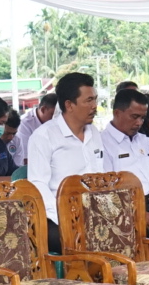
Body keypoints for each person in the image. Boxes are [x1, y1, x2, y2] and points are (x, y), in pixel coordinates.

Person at [26, 72, 108, 252]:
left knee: (134, 230)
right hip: (55, 217)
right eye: (88, 100)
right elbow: (38, 185)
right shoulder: (43, 136)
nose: (94, 106)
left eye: (95, 99)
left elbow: (100, 177)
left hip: (93, 212)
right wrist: (65, 218)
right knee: (84, 243)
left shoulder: (94, 132)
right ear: (69, 105)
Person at [100, 86, 149, 230]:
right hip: (131, 209)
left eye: (142, 118)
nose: (139, 123)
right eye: (134, 117)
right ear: (117, 113)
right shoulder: (103, 143)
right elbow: (107, 191)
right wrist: (136, 212)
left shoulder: (143, 140)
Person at [10, 92, 58, 167]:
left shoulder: (58, 123)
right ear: (43, 109)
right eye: (53, 114)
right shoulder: (25, 124)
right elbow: (26, 159)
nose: (56, 118)